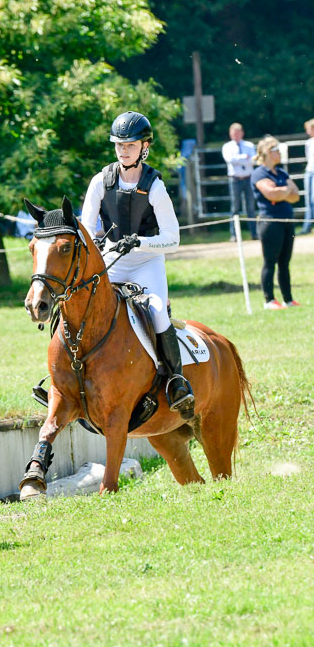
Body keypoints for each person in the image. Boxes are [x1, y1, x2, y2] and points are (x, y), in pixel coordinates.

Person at [81, 111, 194, 419]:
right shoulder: (100, 181)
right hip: (111, 261)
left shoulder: (155, 187)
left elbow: (172, 239)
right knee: (82, 305)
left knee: (156, 310)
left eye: (130, 145)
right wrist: (98, 247)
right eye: (119, 145)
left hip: (147, 263)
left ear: (144, 147)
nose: (123, 150)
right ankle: (67, 375)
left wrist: (139, 242)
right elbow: (86, 227)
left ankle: (176, 381)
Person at [250, 135, 300, 310]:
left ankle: (288, 299)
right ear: (267, 152)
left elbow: (295, 195)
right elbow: (271, 194)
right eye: (276, 150)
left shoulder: (281, 172)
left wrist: (281, 191)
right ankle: (269, 300)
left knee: (285, 262)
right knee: (270, 261)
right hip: (270, 223)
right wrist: (285, 191)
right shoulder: (259, 173)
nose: (279, 153)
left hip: (287, 220)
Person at [222, 123, 257, 241]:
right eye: (234, 133)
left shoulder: (249, 145)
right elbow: (229, 159)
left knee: (250, 207)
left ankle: (254, 233)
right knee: (235, 207)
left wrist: (238, 158)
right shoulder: (227, 147)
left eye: (238, 133)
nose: (236, 135)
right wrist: (243, 157)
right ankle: (234, 234)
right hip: (235, 179)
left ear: (242, 133)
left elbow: (253, 159)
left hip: (248, 178)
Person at [300, 118, 314, 234]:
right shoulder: (308, 143)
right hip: (309, 171)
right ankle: (307, 226)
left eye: (309, 129)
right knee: (308, 200)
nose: (307, 132)